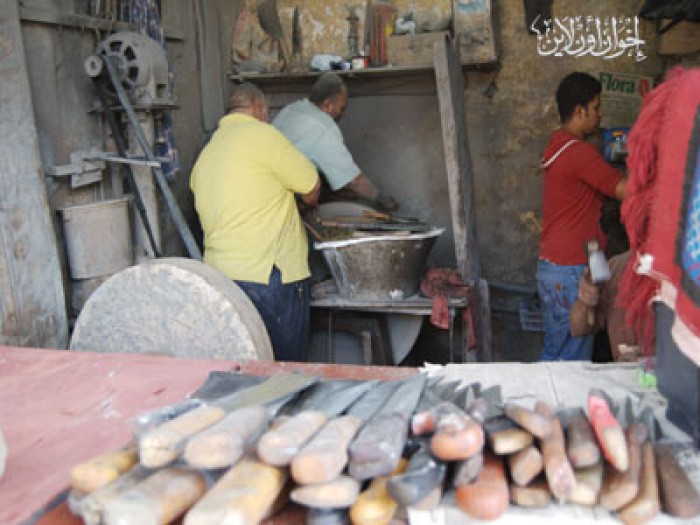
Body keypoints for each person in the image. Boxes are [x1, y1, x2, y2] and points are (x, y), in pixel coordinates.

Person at [190, 83, 321, 362]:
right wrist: (301, 204)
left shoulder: (208, 152)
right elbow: (311, 188)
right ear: (260, 108)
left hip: (221, 280)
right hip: (269, 276)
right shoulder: (264, 135)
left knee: (241, 366)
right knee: (283, 370)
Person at [537, 72, 627, 361]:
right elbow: (624, 190)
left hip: (555, 267)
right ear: (580, 111)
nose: (600, 115)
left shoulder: (557, 145)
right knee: (570, 360)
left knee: (560, 352)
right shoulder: (578, 153)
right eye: (596, 107)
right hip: (569, 270)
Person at [272, 72, 397, 211]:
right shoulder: (324, 127)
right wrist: (381, 198)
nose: (343, 114)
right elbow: (355, 181)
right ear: (327, 105)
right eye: (341, 108)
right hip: (280, 200)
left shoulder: (293, 108)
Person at [569, 251, 640, 362]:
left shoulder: (669, 271)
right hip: (627, 368)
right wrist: (585, 301)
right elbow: (578, 329)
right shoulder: (616, 267)